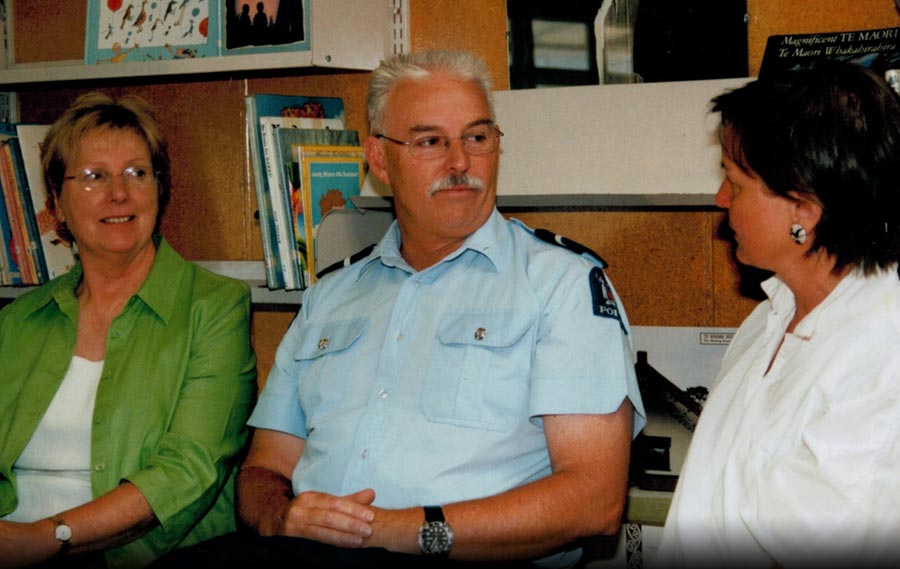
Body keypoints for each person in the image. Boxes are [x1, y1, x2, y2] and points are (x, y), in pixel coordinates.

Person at [158, 49, 645, 568]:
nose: (460, 162)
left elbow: (594, 501)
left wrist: (406, 531)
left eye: (477, 138)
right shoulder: (331, 296)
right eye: (430, 141)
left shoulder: (560, 285)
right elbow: (265, 469)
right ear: (379, 159)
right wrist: (279, 518)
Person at [656, 60, 900, 568]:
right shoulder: (771, 315)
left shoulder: (882, 353)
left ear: (803, 211)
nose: (721, 199)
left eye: (736, 184)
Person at [0, 93, 257, 568]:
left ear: (160, 190)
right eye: (94, 177)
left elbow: (185, 472)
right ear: (56, 202)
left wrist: (44, 538)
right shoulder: (17, 321)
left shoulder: (215, 309)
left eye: (137, 173)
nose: (119, 193)